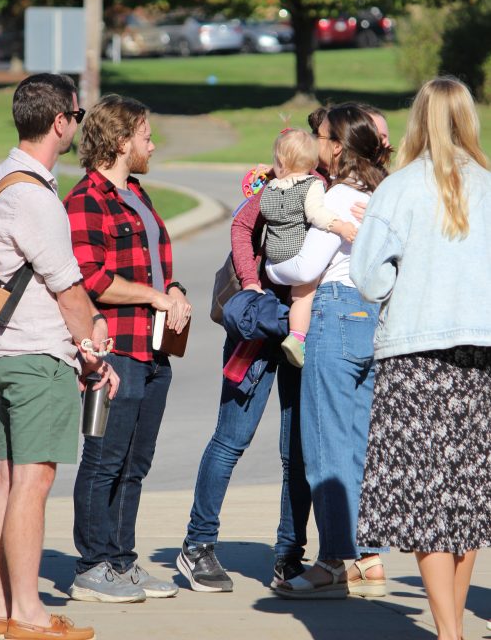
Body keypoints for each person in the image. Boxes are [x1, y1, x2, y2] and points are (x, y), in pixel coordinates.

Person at [350, 77, 491, 640]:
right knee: (468, 494)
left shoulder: (399, 189)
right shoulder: (489, 186)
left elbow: (366, 276)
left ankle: (448, 632)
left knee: (428, 495)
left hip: (415, 353)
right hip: (480, 354)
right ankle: (452, 627)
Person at [0, 73, 119, 640]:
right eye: (76, 117)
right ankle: (28, 615)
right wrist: (93, 355)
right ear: (60, 121)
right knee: (33, 483)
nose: (75, 127)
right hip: (38, 354)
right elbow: (69, 288)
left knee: (9, 480)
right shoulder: (35, 196)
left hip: (5, 348)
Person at [64, 94, 191, 603]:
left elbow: (156, 265)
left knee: (136, 463)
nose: (151, 144)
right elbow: (89, 279)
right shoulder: (85, 200)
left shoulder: (136, 194)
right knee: (103, 459)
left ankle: (121, 561)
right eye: (144, 135)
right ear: (120, 142)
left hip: (154, 350)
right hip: (113, 349)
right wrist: (154, 295)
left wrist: (175, 291)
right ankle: (91, 566)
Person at [265, 104, 390, 599]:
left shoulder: (336, 195)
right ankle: (369, 557)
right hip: (373, 315)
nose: (315, 144)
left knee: (325, 443)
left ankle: (335, 559)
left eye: (319, 136)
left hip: (336, 312)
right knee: (359, 442)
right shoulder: (380, 193)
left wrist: (268, 270)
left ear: (337, 146)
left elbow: (303, 268)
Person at [176, 183, 312, 593]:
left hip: (302, 331)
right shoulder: (283, 185)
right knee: (231, 439)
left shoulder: (333, 190)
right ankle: (198, 544)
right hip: (259, 324)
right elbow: (240, 225)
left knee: (298, 451)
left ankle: (289, 557)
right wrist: (251, 282)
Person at [260, 127, 357, 367]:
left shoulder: (271, 186)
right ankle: (297, 338)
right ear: (313, 161)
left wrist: (272, 172)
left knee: (296, 293)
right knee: (304, 295)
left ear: (280, 161)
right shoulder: (311, 184)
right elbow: (316, 214)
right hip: (296, 251)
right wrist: (340, 226)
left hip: (274, 253)